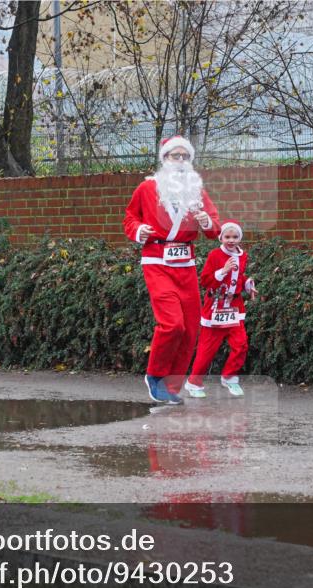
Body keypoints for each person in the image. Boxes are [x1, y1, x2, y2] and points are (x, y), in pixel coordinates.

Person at [123, 135, 221, 404]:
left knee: (190, 328)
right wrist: (139, 230)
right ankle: (154, 375)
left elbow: (214, 229)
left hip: (185, 264)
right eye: (174, 156)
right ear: (164, 159)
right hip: (157, 262)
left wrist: (206, 222)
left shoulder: (196, 191)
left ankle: (171, 385)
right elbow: (130, 218)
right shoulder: (148, 188)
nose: (180, 161)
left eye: (184, 156)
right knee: (172, 324)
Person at [184, 221, 258, 398]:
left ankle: (230, 377)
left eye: (235, 237)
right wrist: (223, 271)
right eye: (227, 237)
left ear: (239, 238)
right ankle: (193, 383)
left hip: (234, 308)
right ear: (221, 237)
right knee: (207, 350)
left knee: (241, 344)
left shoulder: (242, 255)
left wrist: (248, 285)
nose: (231, 240)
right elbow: (205, 281)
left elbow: (239, 276)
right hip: (216, 308)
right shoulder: (215, 255)